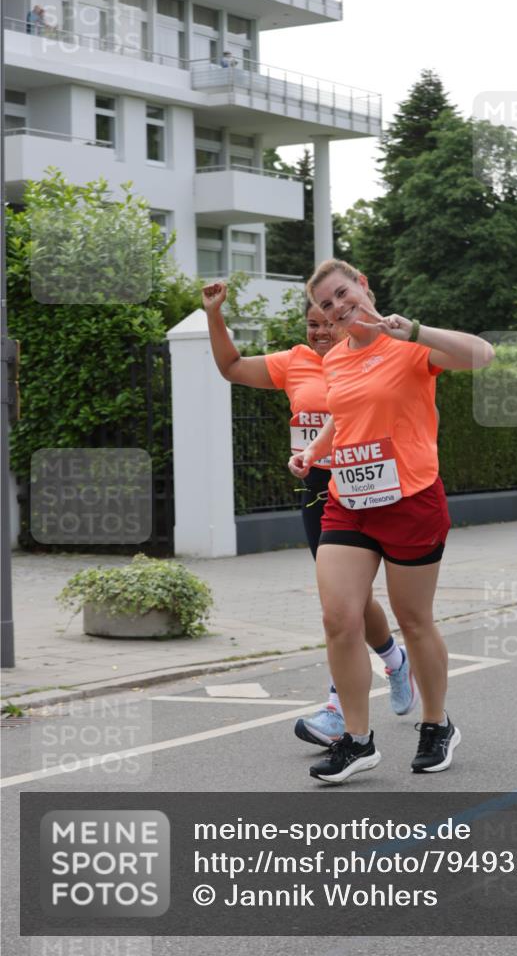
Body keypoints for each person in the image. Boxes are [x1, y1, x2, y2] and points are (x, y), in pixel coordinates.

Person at [289, 259, 495, 784]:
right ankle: (357, 740)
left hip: (410, 500)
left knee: (415, 620)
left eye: (341, 295)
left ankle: (436, 724)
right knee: (340, 618)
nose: (336, 309)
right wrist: (314, 449)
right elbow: (345, 412)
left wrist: (418, 330)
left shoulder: (407, 344)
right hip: (348, 499)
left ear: (362, 285)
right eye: (326, 306)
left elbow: (483, 355)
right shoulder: (334, 359)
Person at [201, 280, 418, 747]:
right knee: (346, 604)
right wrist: (214, 315)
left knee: (350, 605)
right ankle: (393, 663)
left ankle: (344, 706)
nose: (320, 330)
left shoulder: (372, 355)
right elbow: (232, 367)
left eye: (328, 321)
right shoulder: (295, 362)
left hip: (377, 482)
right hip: (320, 491)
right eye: (312, 322)